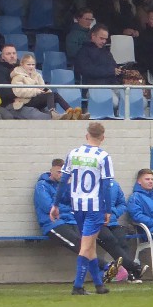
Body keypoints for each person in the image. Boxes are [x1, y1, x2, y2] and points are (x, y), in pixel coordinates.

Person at [36, 157, 143, 283]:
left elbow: (77, 203)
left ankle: (131, 268)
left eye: (63, 172)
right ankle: (107, 267)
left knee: (107, 239)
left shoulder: (70, 185)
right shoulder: (42, 186)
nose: (61, 175)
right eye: (58, 172)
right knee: (79, 243)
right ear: (51, 171)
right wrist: (70, 209)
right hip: (53, 223)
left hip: (75, 220)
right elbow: (50, 207)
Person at [49, 122, 119, 296]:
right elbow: (106, 185)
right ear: (103, 138)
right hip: (94, 206)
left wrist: (55, 204)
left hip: (77, 205)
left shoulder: (73, 154)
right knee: (86, 246)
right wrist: (108, 209)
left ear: (86, 135)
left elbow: (64, 181)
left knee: (90, 245)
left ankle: (98, 285)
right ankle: (78, 286)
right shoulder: (103, 156)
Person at [10, 51, 63, 118]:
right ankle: (53, 113)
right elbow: (18, 92)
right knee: (50, 95)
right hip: (25, 102)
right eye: (28, 64)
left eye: (33, 64)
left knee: (55, 94)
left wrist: (46, 90)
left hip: (35, 99)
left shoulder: (37, 75)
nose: (31, 67)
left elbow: (42, 87)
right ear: (22, 64)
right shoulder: (17, 76)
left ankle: (71, 111)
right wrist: (36, 91)